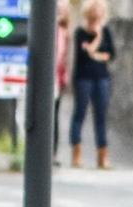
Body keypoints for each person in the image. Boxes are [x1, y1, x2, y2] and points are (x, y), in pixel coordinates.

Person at [69, 0, 116, 170]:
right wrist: (96, 38)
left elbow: (111, 54)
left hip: (101, 77)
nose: (97, 14)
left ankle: (102, 155)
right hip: (83, 78)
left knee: (101, 115)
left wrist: (95, 53)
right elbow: (85, 55)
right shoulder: (80, 32)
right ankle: (76, 153)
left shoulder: (107, 31)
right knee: (79, 113)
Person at [54, 2, 72, 165]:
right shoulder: (52, 31)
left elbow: (64, 58)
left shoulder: (65, 33)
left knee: (55, 116)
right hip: (52, 78)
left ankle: (52, 152)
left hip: (57, 79)